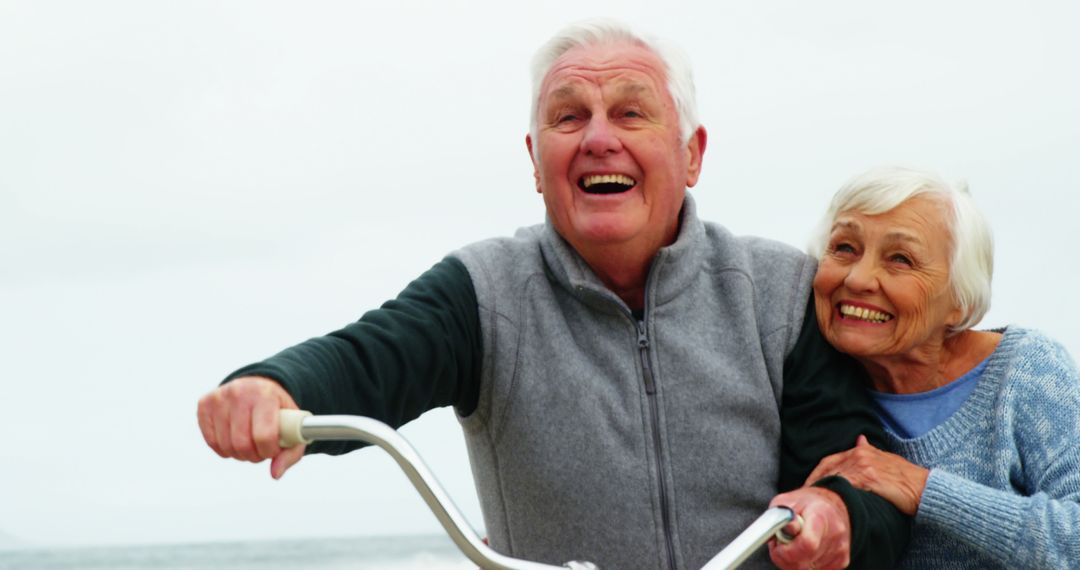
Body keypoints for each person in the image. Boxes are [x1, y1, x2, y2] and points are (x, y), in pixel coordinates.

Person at [197, 20, 908, 570]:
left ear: (692, 154)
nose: (599, 138)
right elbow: (371, 360)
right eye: (569, 118)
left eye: (631, 114)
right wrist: (275, 387)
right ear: (537, 162)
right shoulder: (482, 292)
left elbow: (858, 475)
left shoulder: (780, 292)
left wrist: (834, 517)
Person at [803, 165, 1080, 568]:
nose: (860, 279)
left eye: (900, 259)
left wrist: (920, 488)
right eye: (844, 248)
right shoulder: (804, 386)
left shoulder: (1027, 371)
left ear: (960, 301)